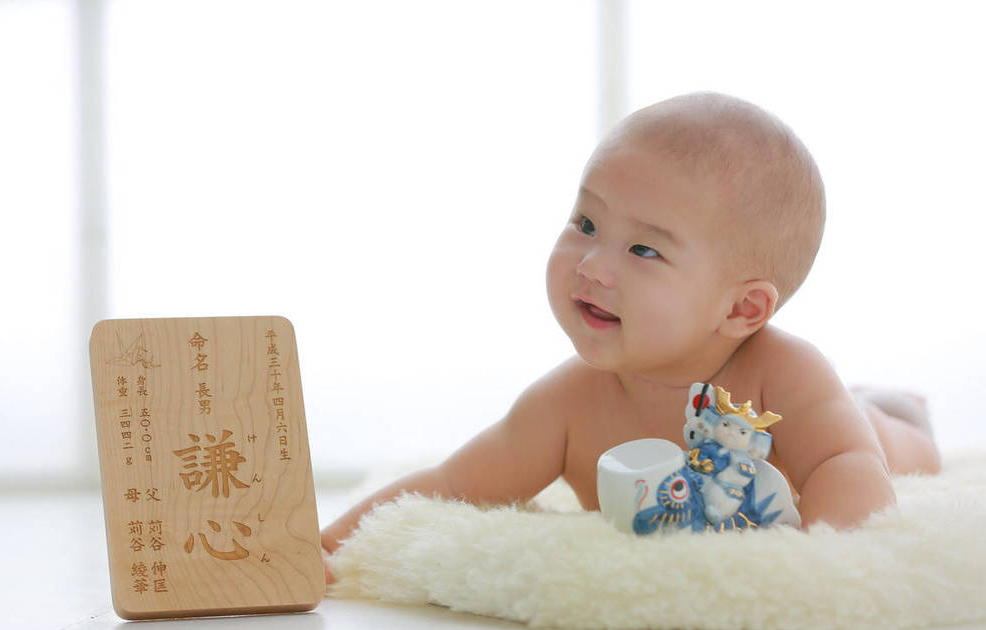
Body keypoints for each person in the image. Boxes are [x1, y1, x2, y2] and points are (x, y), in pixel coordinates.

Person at [320, 91, 939, 583]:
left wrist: (824, 564)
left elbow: (847, 466)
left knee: (886, 435)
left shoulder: (784, 375)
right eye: (586, 223)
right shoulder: (566, 405)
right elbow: (454, 485)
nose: (592, 266)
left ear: (742, 308)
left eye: (644, 250)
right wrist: (325, 546)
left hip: (871, 431)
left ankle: (895, 406)